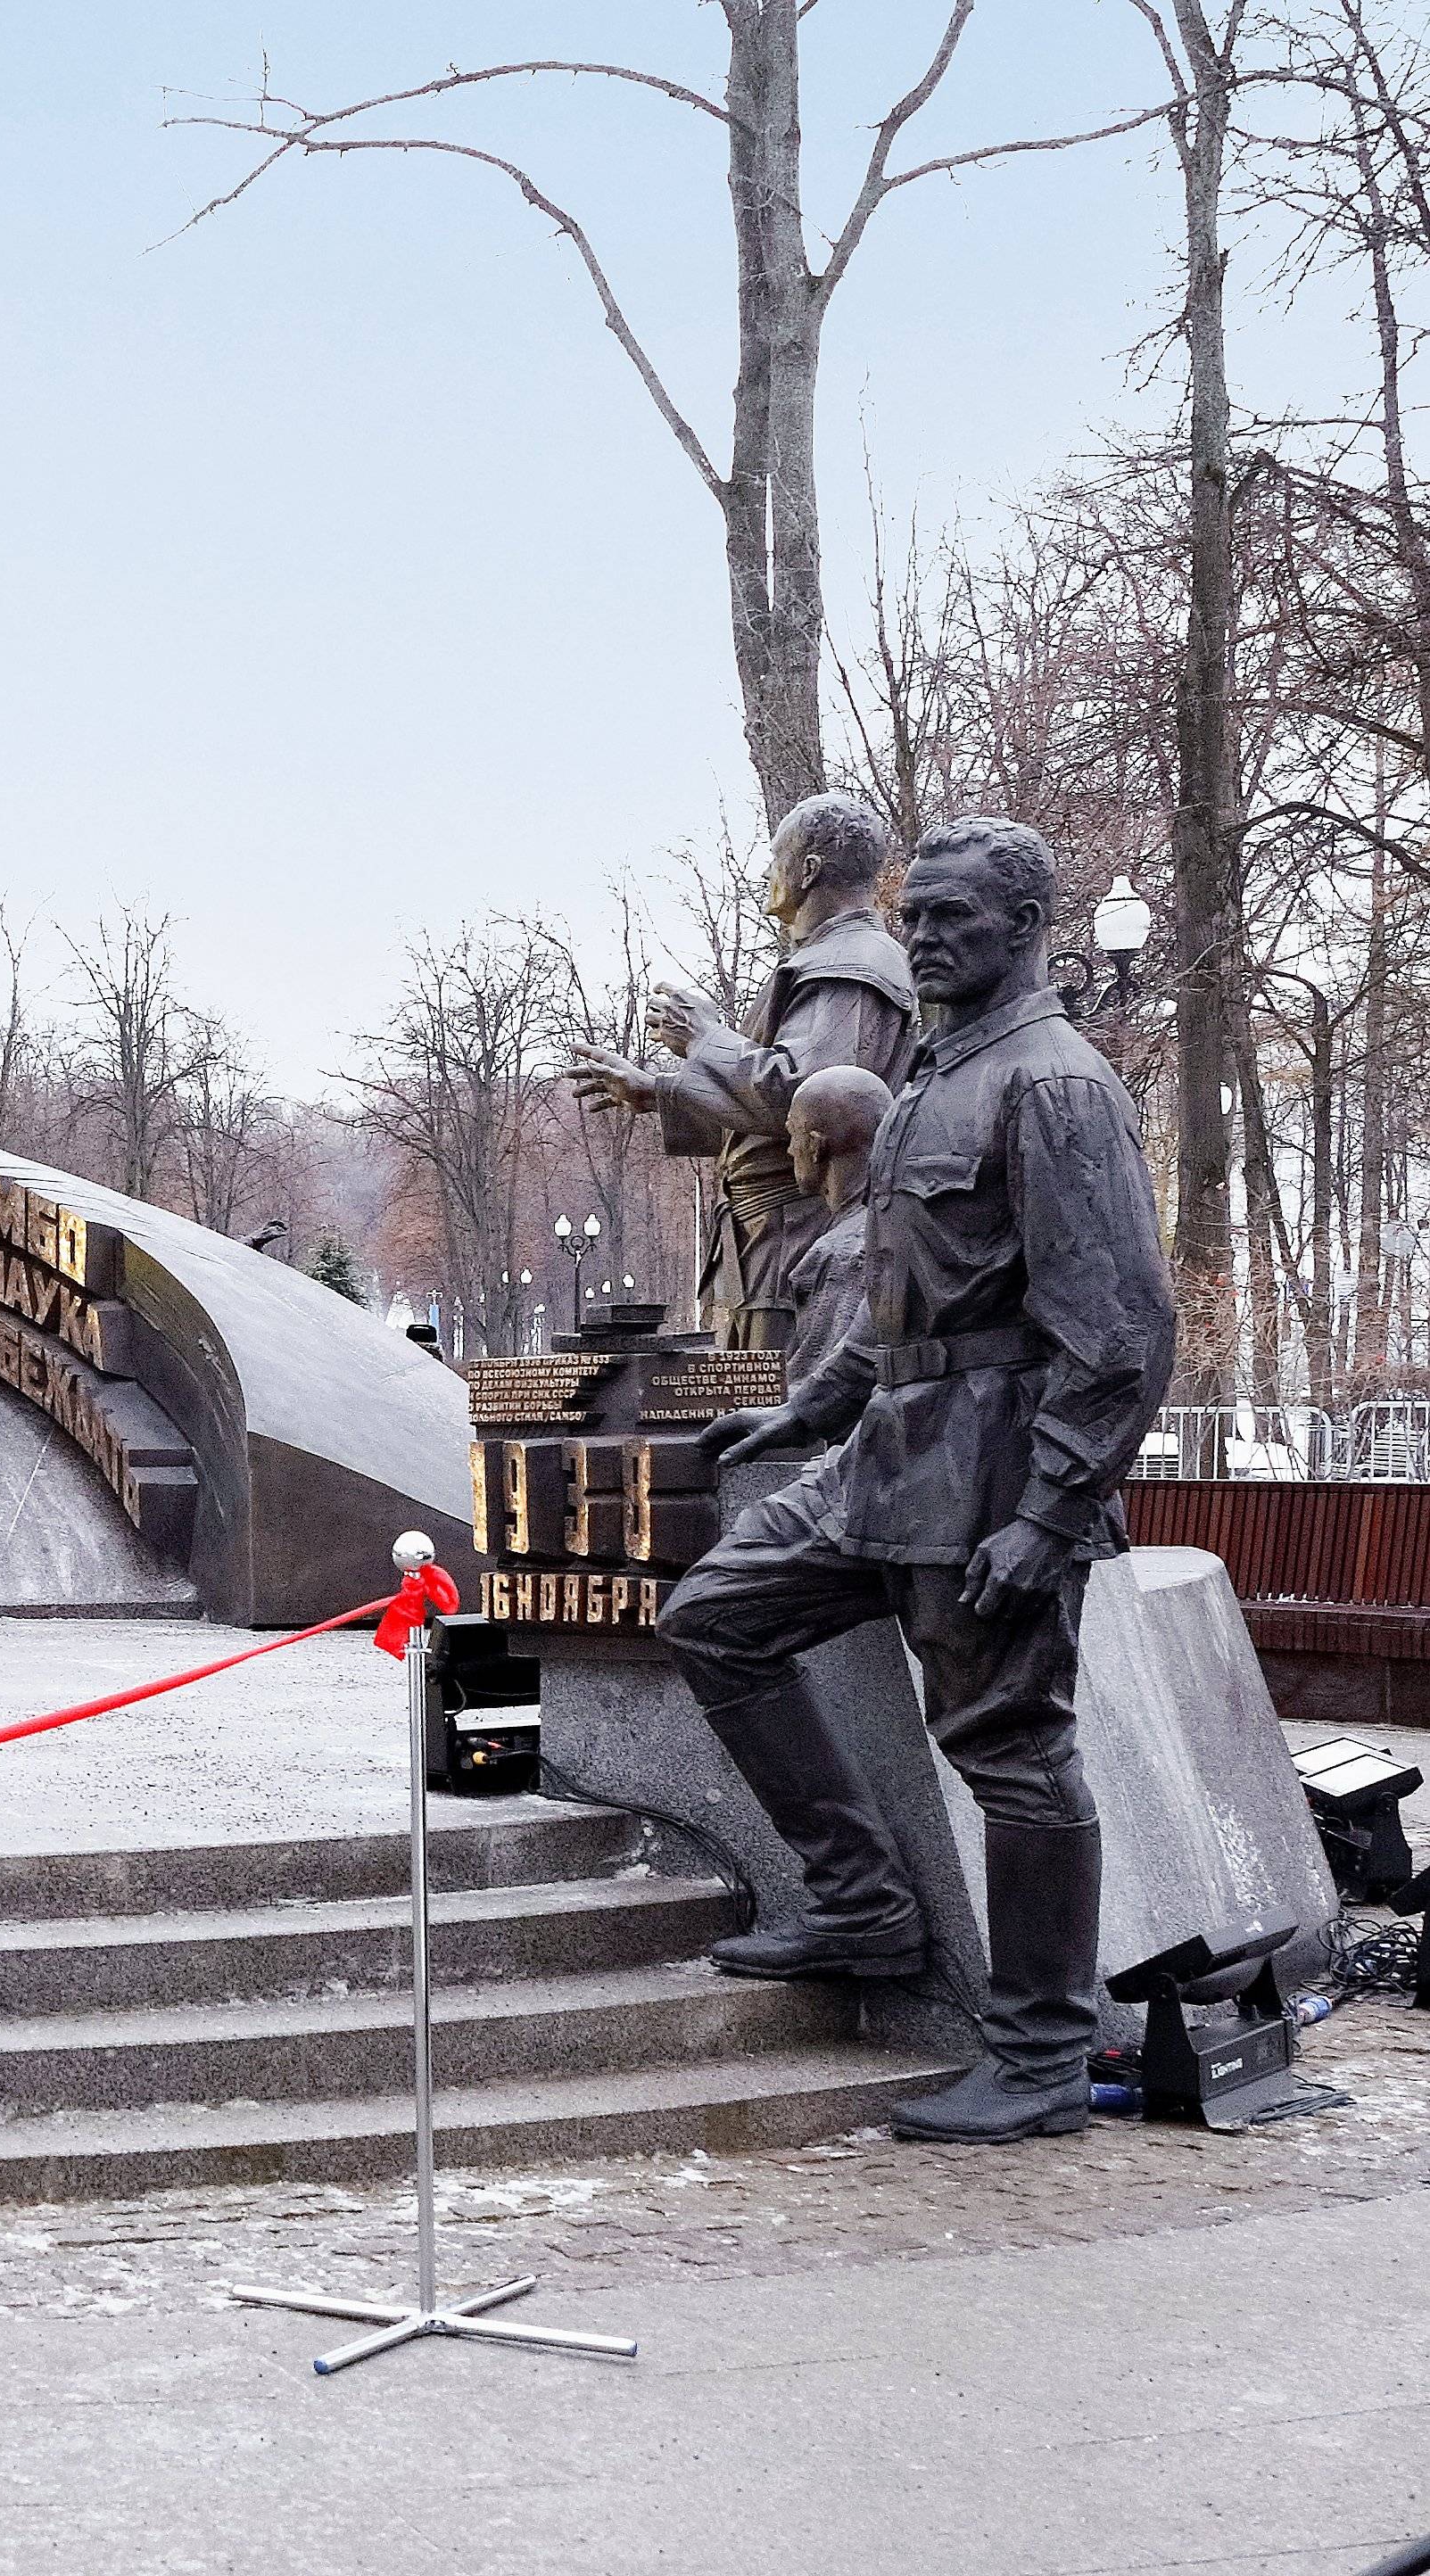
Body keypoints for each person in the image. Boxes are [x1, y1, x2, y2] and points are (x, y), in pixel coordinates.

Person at [657, 817, 1174, 2146]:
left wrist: (1053, 1514)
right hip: (884, 1455)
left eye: (954, 918)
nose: (925, 936)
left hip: (995, 1475)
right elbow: (895, 1314)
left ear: (1025, 929)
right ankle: (862, 1903)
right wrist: (798, 1411)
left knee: (1012, 1748)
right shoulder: (933, 1078)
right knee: (716, 1616)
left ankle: (1048, 2055)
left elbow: (1119, 1334)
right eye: (917, 912)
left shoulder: (1053, 1084)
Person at [564, 793, 917, 1347]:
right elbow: (770, 1109)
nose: (765, 871)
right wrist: (657, 1091)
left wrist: (705, 1037)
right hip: (770, 1243)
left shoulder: (851, 967)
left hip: (796, 1238)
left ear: (807, 870)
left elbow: (814, 1102)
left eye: (775, 856)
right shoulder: (827, 960)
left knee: (783, 1419)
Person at [776, 1063, 890, 1385]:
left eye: (792, 1134)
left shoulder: (841, 1253)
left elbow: (813, 1385)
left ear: (815, 1147)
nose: (788, 1149)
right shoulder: (896, 1223)